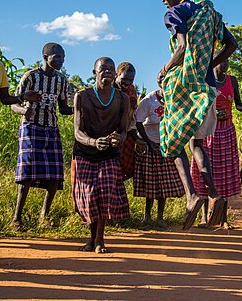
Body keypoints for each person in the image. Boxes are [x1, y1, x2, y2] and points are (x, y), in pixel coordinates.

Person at [159, 0, 237, 230]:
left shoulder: (174, 14)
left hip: (185, 88)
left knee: (172, 141)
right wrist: (209, 64)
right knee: (197, 146)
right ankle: (214, 194)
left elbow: (181, 48)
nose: (163, 0)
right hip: (208, 91)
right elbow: (231, 44)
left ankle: (193, 195)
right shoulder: (208, 13)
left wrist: (166, 68)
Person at [10, 43, 72, 231]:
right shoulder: (31, 77)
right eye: (57, 57)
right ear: (45, 57)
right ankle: (16, 219)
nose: (61, 60)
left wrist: (79, 107)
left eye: (63, 57)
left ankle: (43, 216)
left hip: (51, 128)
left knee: (54, 176)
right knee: (26, 175)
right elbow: (13, 103)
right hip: (31, 128)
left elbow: (62, 108)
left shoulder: (61, 80)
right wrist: (24, 111)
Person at [72, 57, 130, 253]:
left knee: (105, 194)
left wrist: (118, 139)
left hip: (109, 153)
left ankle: (99, 239)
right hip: (85, 152)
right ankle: (90, 238)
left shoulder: (122, 99)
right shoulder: (82, 96)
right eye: (102, 69)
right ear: (94, 72)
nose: (106, 72)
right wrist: (93, 142)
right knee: (89, 197)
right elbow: (77, 132)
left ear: (115, 74)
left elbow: (123, 130)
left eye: (110, 70)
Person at [191, 60, 242, 228]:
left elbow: (238, 103)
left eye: (227, 61)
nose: (224, 65)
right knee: (205, 172)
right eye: (221, 61)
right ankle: (204, 218)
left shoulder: (231, 81)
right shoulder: (204, 79)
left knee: (225, 175)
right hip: (207, 131)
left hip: (227, 132)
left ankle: (223, 219)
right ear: (214, 62)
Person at [134, 73, 185, 227]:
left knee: (164, 185)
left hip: (166, 146)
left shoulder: (174, 99)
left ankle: (160, 217)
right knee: (150, 185)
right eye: (163, 81)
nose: (166, 84)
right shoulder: (149, 100)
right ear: (158, 83)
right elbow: (138, 121)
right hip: (149, 145)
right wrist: (148, 143)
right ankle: (147, 216)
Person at [115, 62, 138, 181]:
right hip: (110, 133)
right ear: (116, 75)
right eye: (124, 79)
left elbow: (132, 114)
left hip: (126, 133)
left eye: (131, 80)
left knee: (123, 169)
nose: (127, 83)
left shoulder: (131, 91)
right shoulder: (108, 89)